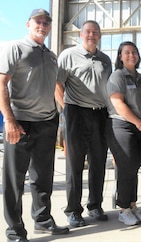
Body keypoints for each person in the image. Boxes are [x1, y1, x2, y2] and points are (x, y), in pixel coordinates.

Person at [0, 9, 69, 242]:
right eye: (38, 21)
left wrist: (60, 114)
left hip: (47, 123)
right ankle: (14, 230)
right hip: (20, 124)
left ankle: (43, 220)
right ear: (29, 24)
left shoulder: (51, 55)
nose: (43, 25)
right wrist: (9, 119)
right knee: (14, 180)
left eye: (47, 22)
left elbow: (54, 86)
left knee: (43, 178)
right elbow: (1, 83)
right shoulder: (15, 48)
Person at [56, 20, 112, 227]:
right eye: (88, 31)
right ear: (81, 34)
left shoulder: (105, 60)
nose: (91, 35)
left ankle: (95, 205)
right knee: (75, 164)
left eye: (95, 32)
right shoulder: (68, 55)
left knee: (98, 163)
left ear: (99, 35)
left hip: (100, 114)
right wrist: (67, 110)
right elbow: (57, 84)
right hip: (76, 113)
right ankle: (73, 210)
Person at [105, 41, 141, 226]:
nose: (131, 55)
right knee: (126, 168)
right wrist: (137, 122)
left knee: (134, 167)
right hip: (122, 125)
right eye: (127, 52)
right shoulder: (117, 76)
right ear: (120, 56)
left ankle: (132, 205)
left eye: (134, 52)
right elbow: (118, 103)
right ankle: (124, 209)